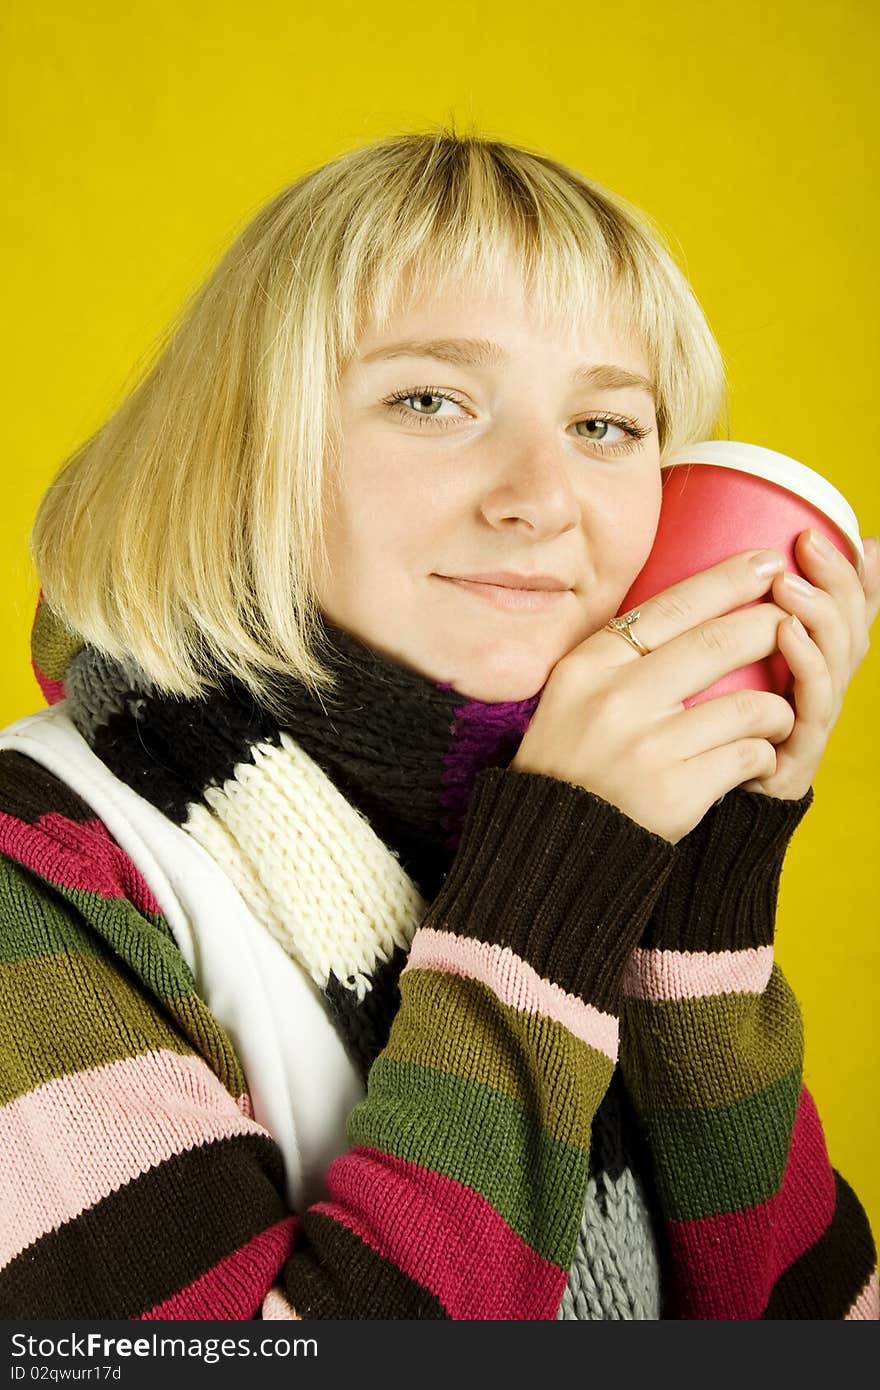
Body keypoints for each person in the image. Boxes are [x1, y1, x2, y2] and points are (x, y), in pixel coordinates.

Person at [1, 129, 878, 1321]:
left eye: (606, 426)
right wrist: (550, 889)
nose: (541, 497)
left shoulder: (587, 822)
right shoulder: (36, 862)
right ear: (241, 449)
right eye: (430, 399)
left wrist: (702, 889)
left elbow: (814, 1325)